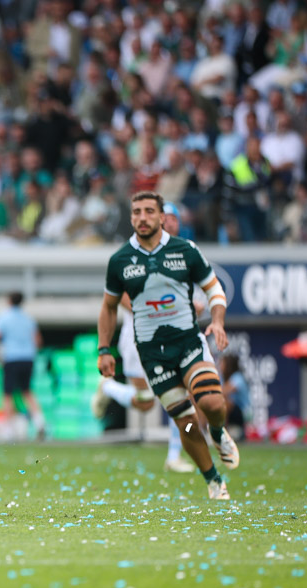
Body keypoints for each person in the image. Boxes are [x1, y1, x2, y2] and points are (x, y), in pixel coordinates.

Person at [98, 191, 239, 500]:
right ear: (131, 217)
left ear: (162, 217)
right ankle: (213, 480)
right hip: (152, 353)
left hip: (188, 342)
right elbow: (108, 307)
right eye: (137, 212)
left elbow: (214, 289)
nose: (142, 217)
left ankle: (217, 432)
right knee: (185, 423)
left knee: (212, 404)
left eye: (149, 211)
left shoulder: (185, 251)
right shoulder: (120, 260)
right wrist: (103, 349)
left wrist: (217, 320)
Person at [91, 202, 199, 473]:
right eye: (167, 218)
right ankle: (109, 388)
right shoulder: (132, 254)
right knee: (146, 402)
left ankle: (175, 455)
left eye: (174, 219)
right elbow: (121, 299)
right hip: (138, 338)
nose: (171, 223)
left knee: (181, 396)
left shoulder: (184, 252)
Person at [0, 292, 47, 440]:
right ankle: (40, 423)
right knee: (27, 391)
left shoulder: (3, 317)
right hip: (28, 358)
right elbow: (38, 341)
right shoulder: (28, 319)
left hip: (11, 358)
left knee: (7, 394)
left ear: (9, 301)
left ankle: (8, 429)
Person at [221, 355, 250, 439]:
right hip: (233, 415)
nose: (220, 365)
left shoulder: (237, 377)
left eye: (222, 363)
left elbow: (222, 392)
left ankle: (221, 431)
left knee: (224, 402)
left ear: (228, 365)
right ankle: (202, 430)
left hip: (243, 414)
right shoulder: (223, 378)